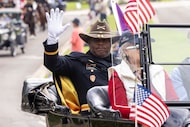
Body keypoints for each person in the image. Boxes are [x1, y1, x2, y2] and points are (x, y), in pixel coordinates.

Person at [43, 8, 120, 113]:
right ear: (89, 43)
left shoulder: (120, 64)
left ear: (111, 43)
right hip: (91, 119)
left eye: (105, 40)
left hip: (121, 117)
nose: (101, 43)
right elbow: (53, 63)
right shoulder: (78, 62)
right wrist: (52, 41)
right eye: (96, 40)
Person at [107, 31, 179, 119]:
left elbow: (174, 100)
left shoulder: (159, 70)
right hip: (136, 122)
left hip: (165, 119)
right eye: (138, 46)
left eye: (145, 45)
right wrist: (147, 113)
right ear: (125, 51)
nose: (143, 49)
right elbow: (119, 109)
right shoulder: (118, 73)